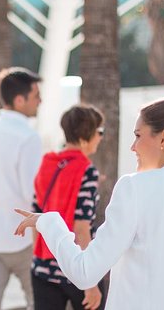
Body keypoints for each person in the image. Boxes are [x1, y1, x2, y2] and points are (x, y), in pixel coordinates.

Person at [15, 97, 164, 309]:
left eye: (138, 135)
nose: (133, 147)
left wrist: (49, 222)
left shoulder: (136, 189)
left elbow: (85, 272)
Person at [0, 67, 43, 310]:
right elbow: (31, 193)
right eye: (36, 96)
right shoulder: (29, 137)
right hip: (22, 239)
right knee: (39, 303)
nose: (40, 101)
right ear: (20, 100)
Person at [30, 105, 106, 310]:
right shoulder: (87, 171)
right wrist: (90, 284)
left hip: (42, 267)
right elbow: (81, 228)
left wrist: (39, 259)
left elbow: (36, 217)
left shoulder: (47, 162)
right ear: (84, 138)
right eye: (99, 132)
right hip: (74, 267)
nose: (100, 137)